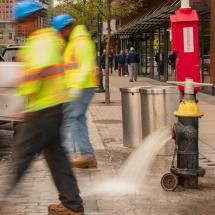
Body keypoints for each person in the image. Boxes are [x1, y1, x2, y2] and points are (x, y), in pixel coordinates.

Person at [7, 2, 84, 215]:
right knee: (57, 159)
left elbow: (40, 70)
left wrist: (26, 100)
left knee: (22, 155)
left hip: (42, 109)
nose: (18, 28)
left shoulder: (41, 41)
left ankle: (3, 198)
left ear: (30, 20)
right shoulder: (46, 39)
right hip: (52, 108)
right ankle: (72, 204)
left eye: (20, 23)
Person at [52, 14, 98, 169]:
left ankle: (62, 157)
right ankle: (87, 156)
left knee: (68, 118)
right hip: (78, 87)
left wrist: (76, 86)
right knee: (78, 119)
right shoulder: (72, 42)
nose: (59, 35)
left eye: (60, 32)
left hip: (82, 87)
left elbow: (85, 66)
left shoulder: (81, 42)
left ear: (67, 28)